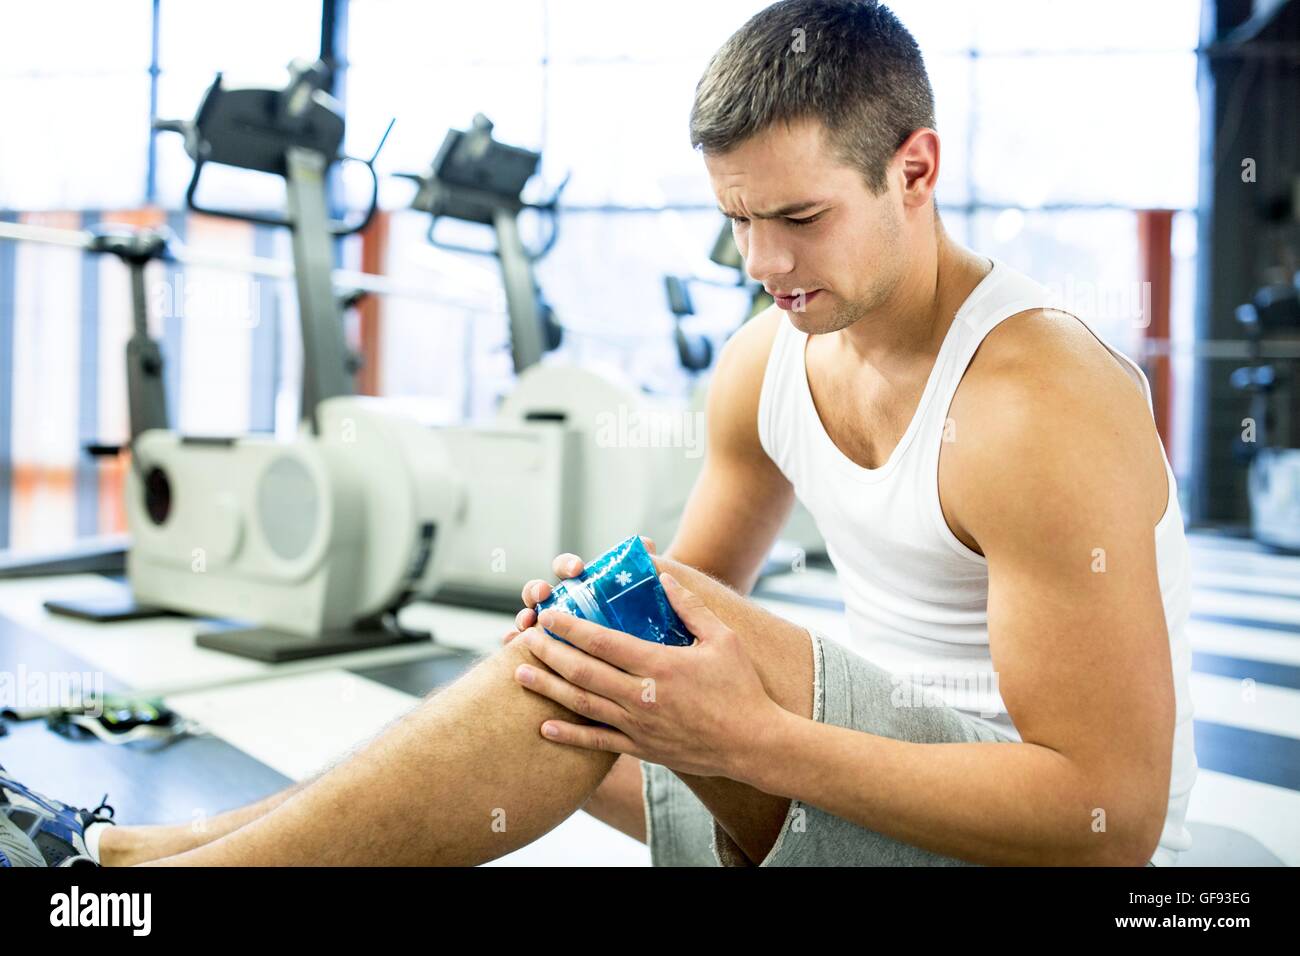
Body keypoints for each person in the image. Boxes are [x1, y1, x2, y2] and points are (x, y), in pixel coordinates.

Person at [1, 0, 1194, 868]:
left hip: (1028, 839)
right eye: (736, 220)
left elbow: (1106, 818)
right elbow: (673, 610)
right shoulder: (763, 363)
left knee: (598, 652)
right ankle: (148, 866)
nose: (765, 264)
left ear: (914, 169)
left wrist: (759, 740)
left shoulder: (1036, 396)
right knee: (582, 648)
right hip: (850, 784)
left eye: (800, 218)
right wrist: (590, 627)